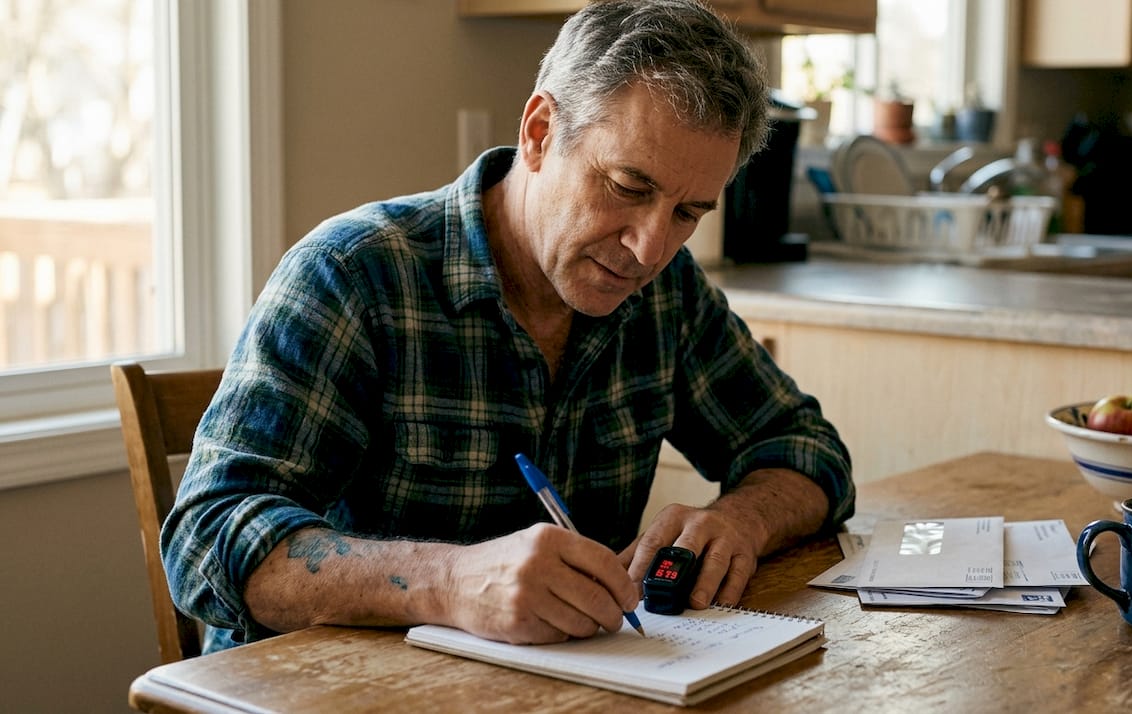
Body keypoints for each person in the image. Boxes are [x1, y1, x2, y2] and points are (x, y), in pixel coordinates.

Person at [162, 0, 855, 653]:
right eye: (628, 188)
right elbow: (204, 540)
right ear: (540, 133)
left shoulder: (664, 294)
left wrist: (742, 519)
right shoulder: (353, 275)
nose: (649, 249)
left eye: (687, 213)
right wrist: (450, 583)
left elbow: (806, 448)